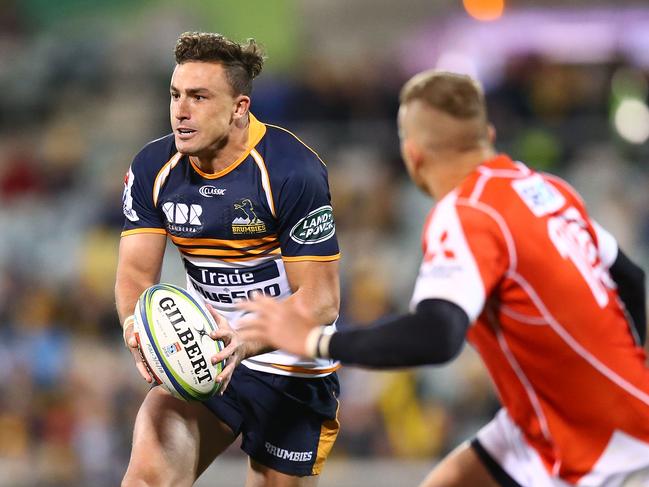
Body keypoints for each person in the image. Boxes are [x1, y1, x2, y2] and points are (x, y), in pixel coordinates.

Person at [238, 70, 649, 487]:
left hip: (614, 448)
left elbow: (437, 334)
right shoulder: (549, 189)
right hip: (557, 419)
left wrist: (314, 340)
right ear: (486, 133)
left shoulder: (467, 212)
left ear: (413, 154)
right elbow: (631, 280)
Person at [115, 32, 342, 487]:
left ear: (239, 107)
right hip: (205, 355)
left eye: (199, 97)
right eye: (176, 95)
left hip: (291, 366)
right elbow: (136, 275)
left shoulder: (292, 172)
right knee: (147, 479)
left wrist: (243, 338)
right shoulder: (152, 168)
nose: (181, 110)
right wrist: (133, 325)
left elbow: (321, 301)